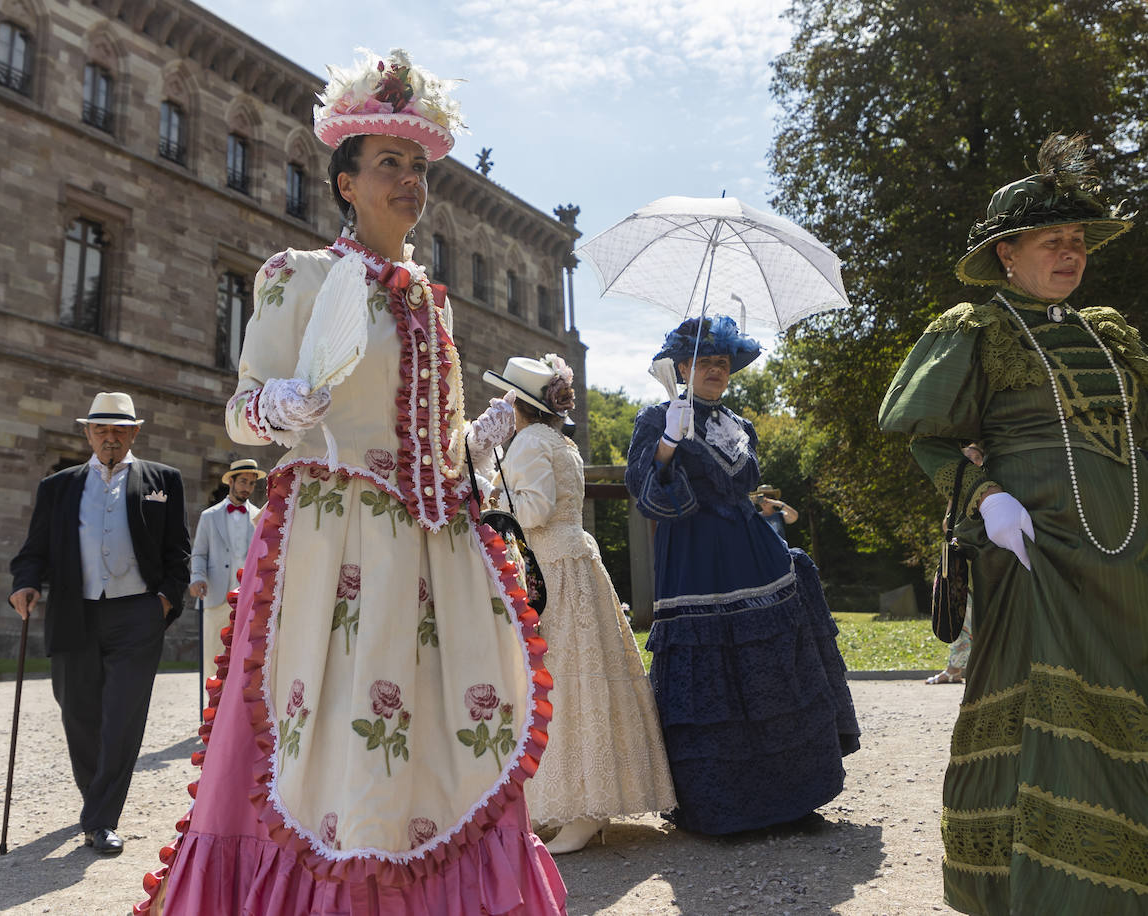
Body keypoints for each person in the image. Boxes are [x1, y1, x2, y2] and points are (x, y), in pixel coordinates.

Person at [140, 49, 565, 915]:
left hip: (434, 550)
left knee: (443, 749)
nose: (410, 181)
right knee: (333, 746)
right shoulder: (296, 277)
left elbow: (432, 443)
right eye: (388, 165)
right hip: (340, 546)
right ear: (344, 182)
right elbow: (240, 412)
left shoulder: (429, 300)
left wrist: (474, 447)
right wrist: (282, 405)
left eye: (416, 166)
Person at [878, 133, 1147, 915]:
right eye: (1050, 241)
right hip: (1032, 553)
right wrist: (987, 500)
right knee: (1043, 716)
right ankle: (1043, 894)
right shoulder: (977, 329)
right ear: (1007, 254)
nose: (1069, 254)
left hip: (1128, 557)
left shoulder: (1112, 333)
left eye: (1077, 242)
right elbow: (931, 442)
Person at [625, 315, 860, 836]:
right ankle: (722, 806)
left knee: (772, 665)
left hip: (752, 551)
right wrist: (669, 440)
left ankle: (792, 798)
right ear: (681, 367)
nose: (715, 370)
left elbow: (742, 487)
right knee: (709, 668)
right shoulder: (654, 419)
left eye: (722, 363)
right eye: (704, 361)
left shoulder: (739, 423)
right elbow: (646, 493)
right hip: (694, 558)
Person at [483, 354, 675, 854]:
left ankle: (584, 809)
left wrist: (494, 500)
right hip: (576, 560)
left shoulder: (526, 443)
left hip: (551, 567)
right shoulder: (560, 442)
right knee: (584, 673)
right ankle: (581, 803)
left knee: (563, 677)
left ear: (521, 406)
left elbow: (535, 510)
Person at [8, 391, 189, 855]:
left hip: (137, 614)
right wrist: (25, 583)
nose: (110, 437)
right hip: (75, 612)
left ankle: (102, 818)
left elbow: (177, 552)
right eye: (101, 429)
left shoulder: (163, 480)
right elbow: (35, 551)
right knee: (78, 714)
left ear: (134, 432)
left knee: (122, 718)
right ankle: (95, 801)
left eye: (119, 430)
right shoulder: (58, 486)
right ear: (87, 432)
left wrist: (165, 601)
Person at [189, 457, 264, 680]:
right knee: (213, 656)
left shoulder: (260, 517)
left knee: (245, 658)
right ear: (230, 481)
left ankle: (233, 713)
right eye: (243, 482)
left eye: (251, 483)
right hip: (215, 595)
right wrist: (197, 577)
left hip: (248, 597)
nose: (247, 488)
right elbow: (199, 553)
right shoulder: (209, 516)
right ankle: (213, 713)